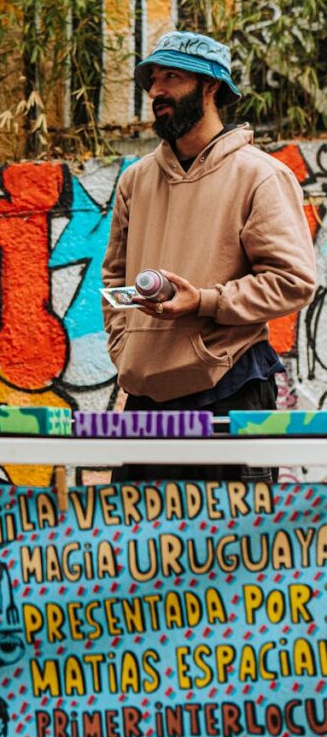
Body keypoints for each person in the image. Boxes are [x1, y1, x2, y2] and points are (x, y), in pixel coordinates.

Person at [102, 30, 316, 480]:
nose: (157, 91)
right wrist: (125, 348)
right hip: (145, 398)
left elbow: (293, 280)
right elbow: (114, 277)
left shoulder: (260, 176)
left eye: (172, 77)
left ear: (211, 86)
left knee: (230, 546)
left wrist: (203, 301)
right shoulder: (135, 181)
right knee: (136, 546)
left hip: (230, 391)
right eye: (153, 81)